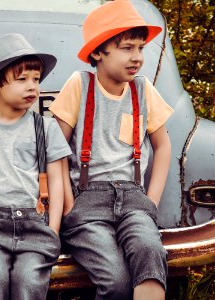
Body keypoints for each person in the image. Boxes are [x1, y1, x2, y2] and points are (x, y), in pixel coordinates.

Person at [49, 1, 173, 299]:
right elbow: (54, 150)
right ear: (97, 52)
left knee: (150, 256)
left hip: (134, 199)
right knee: (115, 280)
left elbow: (163, 145)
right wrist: (68, 205)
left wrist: (151, 202)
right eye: (127, 48)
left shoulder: (143, 90)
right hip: (88, 202)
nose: (137, 57)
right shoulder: (80, 85)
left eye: (141, 48)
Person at [0, 33, 71, 300]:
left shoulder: (46, 128)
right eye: (22, 79)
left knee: (29, 282)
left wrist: (53, 230)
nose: (33, 87)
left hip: (36, 225)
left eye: (36, 80)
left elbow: (56, 180)